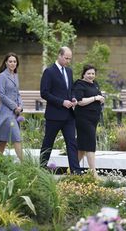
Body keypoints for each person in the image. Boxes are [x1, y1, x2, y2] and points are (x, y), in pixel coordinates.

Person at [39, 46, 81, 174]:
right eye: (66, 58)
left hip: (68, 116)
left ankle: (76, 172)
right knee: (48, 144)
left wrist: (73, 98)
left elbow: (71, 89)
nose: (68, 61)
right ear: (59, 55)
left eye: (70, 59)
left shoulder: (69, 71)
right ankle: (41, 169)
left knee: (72, 144)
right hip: (54, 116)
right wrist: (62, 102)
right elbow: (44, 93)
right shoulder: (49, 72)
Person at [0, 52, 24, 161]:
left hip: (15, 113)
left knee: (3, 141)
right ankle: (26, 165)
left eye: (14, 61)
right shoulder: (2, 76)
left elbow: (17, 93)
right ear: (6, 63)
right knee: (17, 138)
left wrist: (20, 106)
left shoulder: (15, 75)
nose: (13, 63)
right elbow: (2, 95)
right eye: (10, 61)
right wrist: (15, 107)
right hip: (6, 113)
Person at [73, 65, 105, 175]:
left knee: (82, 145)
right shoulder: (79, 84)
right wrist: (95, 98)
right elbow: (80, 101)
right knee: (91, 143)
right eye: (89, 73)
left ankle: (73, 169)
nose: (91, 76)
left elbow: (99, 96)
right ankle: (93, 173)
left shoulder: (95, 84)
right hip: (83, 118)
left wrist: (101, 99)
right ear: (84, 74)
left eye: (93, 74)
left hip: (93, 119)